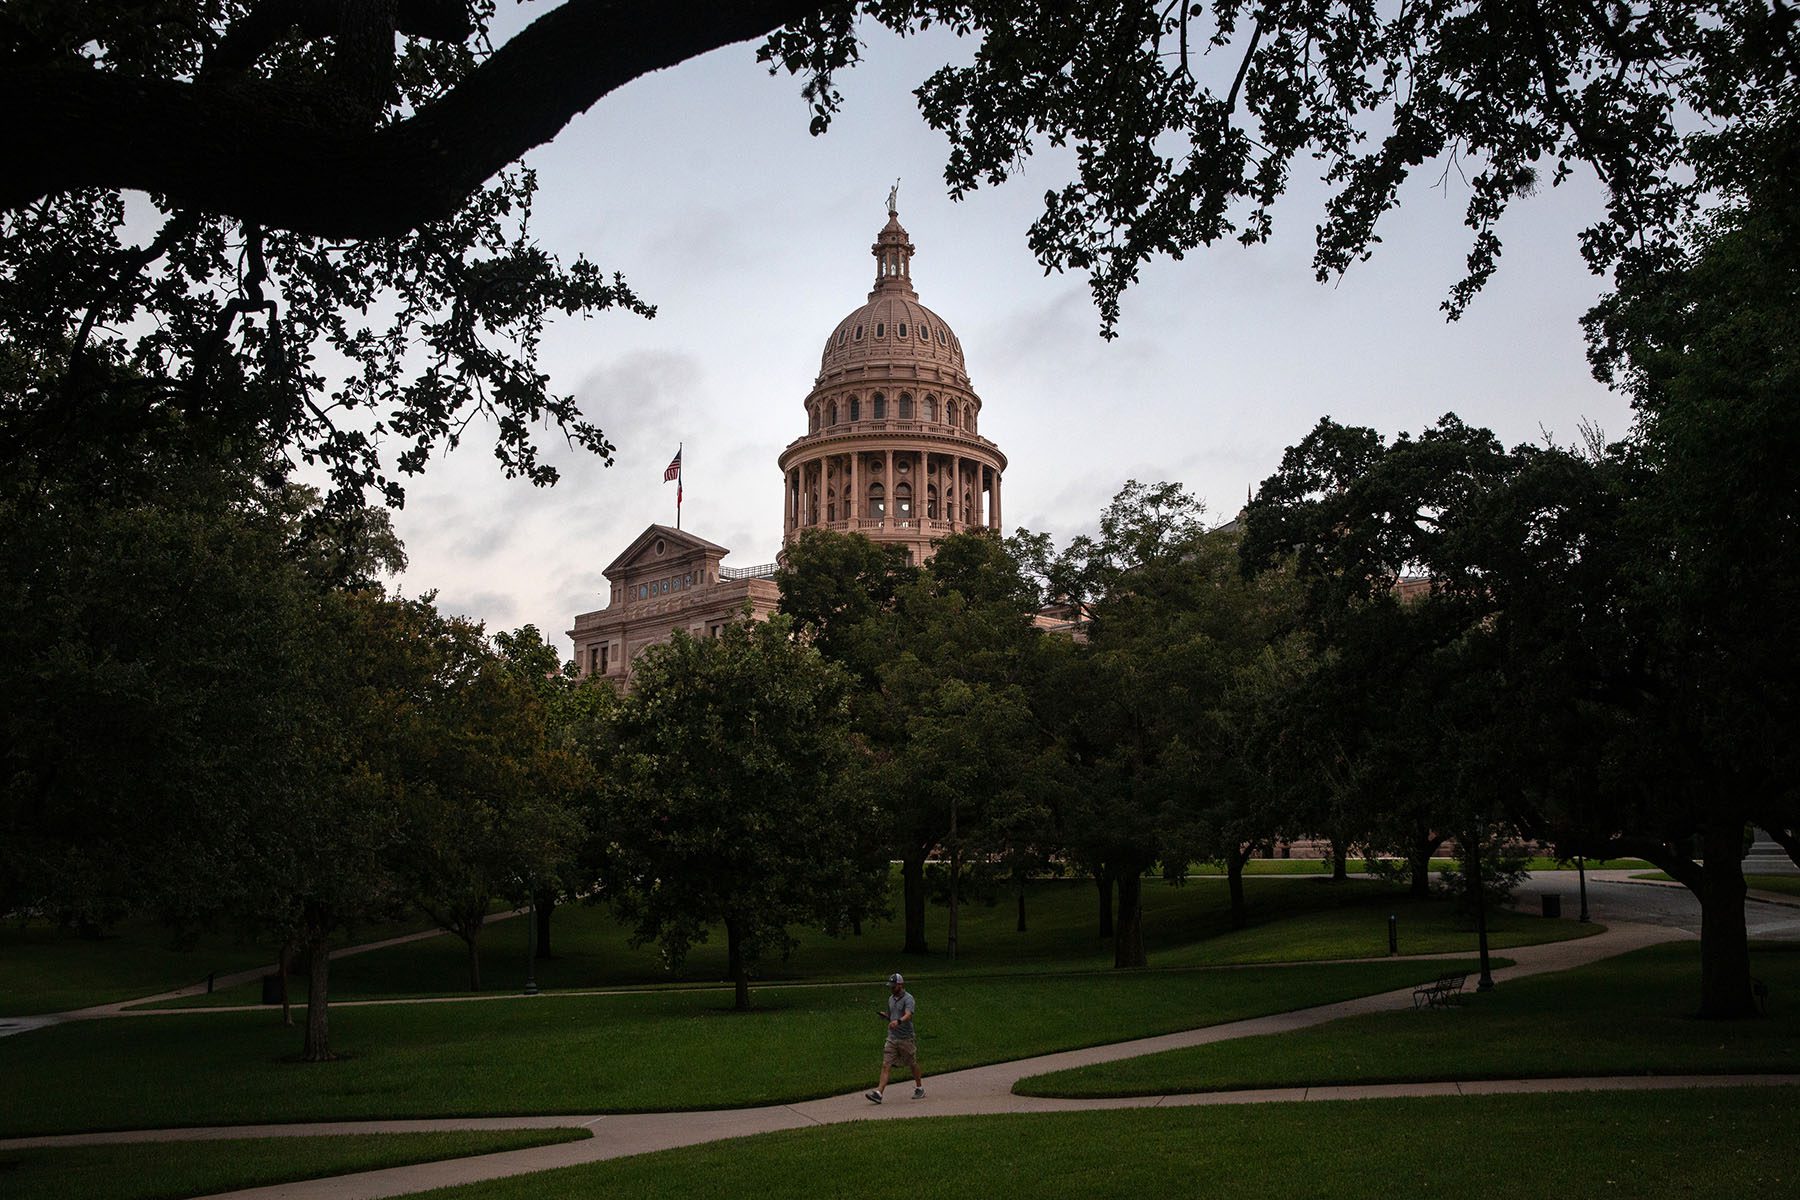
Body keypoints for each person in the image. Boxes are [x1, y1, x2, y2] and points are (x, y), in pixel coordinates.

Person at [866, 972, 923, 1103]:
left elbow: (908, 1015)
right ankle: (879, 1093)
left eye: (893, 986)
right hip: (892, 1037)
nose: (891, 988)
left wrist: (898, 1021)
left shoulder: (909, 999)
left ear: (900, 985)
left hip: (906, 1037)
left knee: (912, 1063)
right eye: (890, 986)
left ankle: (920, 1087)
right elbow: (891, 1015)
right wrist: (885, 1016)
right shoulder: (890, 999)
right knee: (886, 1064)